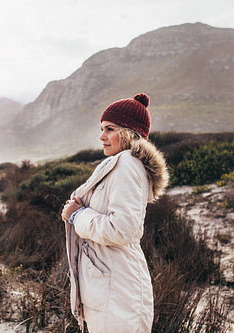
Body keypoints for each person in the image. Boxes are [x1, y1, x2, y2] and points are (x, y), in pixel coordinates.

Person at [61, 93, 169, 332]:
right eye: (102, 129)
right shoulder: (122, 164)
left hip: (118, 291)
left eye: (109, 129)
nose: (102, 136)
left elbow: (121, 229)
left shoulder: (128, 165)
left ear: (129, 132)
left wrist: (78, 215)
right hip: (109, 287)